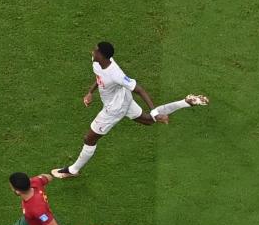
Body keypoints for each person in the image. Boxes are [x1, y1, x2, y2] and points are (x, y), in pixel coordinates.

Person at [51, 41, 208, 179]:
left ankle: (73, 170)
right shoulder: (97, 63)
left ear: (103, 56)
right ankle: (187, 102)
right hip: (123, 99)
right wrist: (90, 92)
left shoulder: (116, 74)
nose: (93, 51)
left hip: (114, 109)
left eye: (96, 50)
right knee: (147, 121)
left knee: (89, 139)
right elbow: (99, 78)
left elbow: (140, 90)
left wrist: (155, 112)